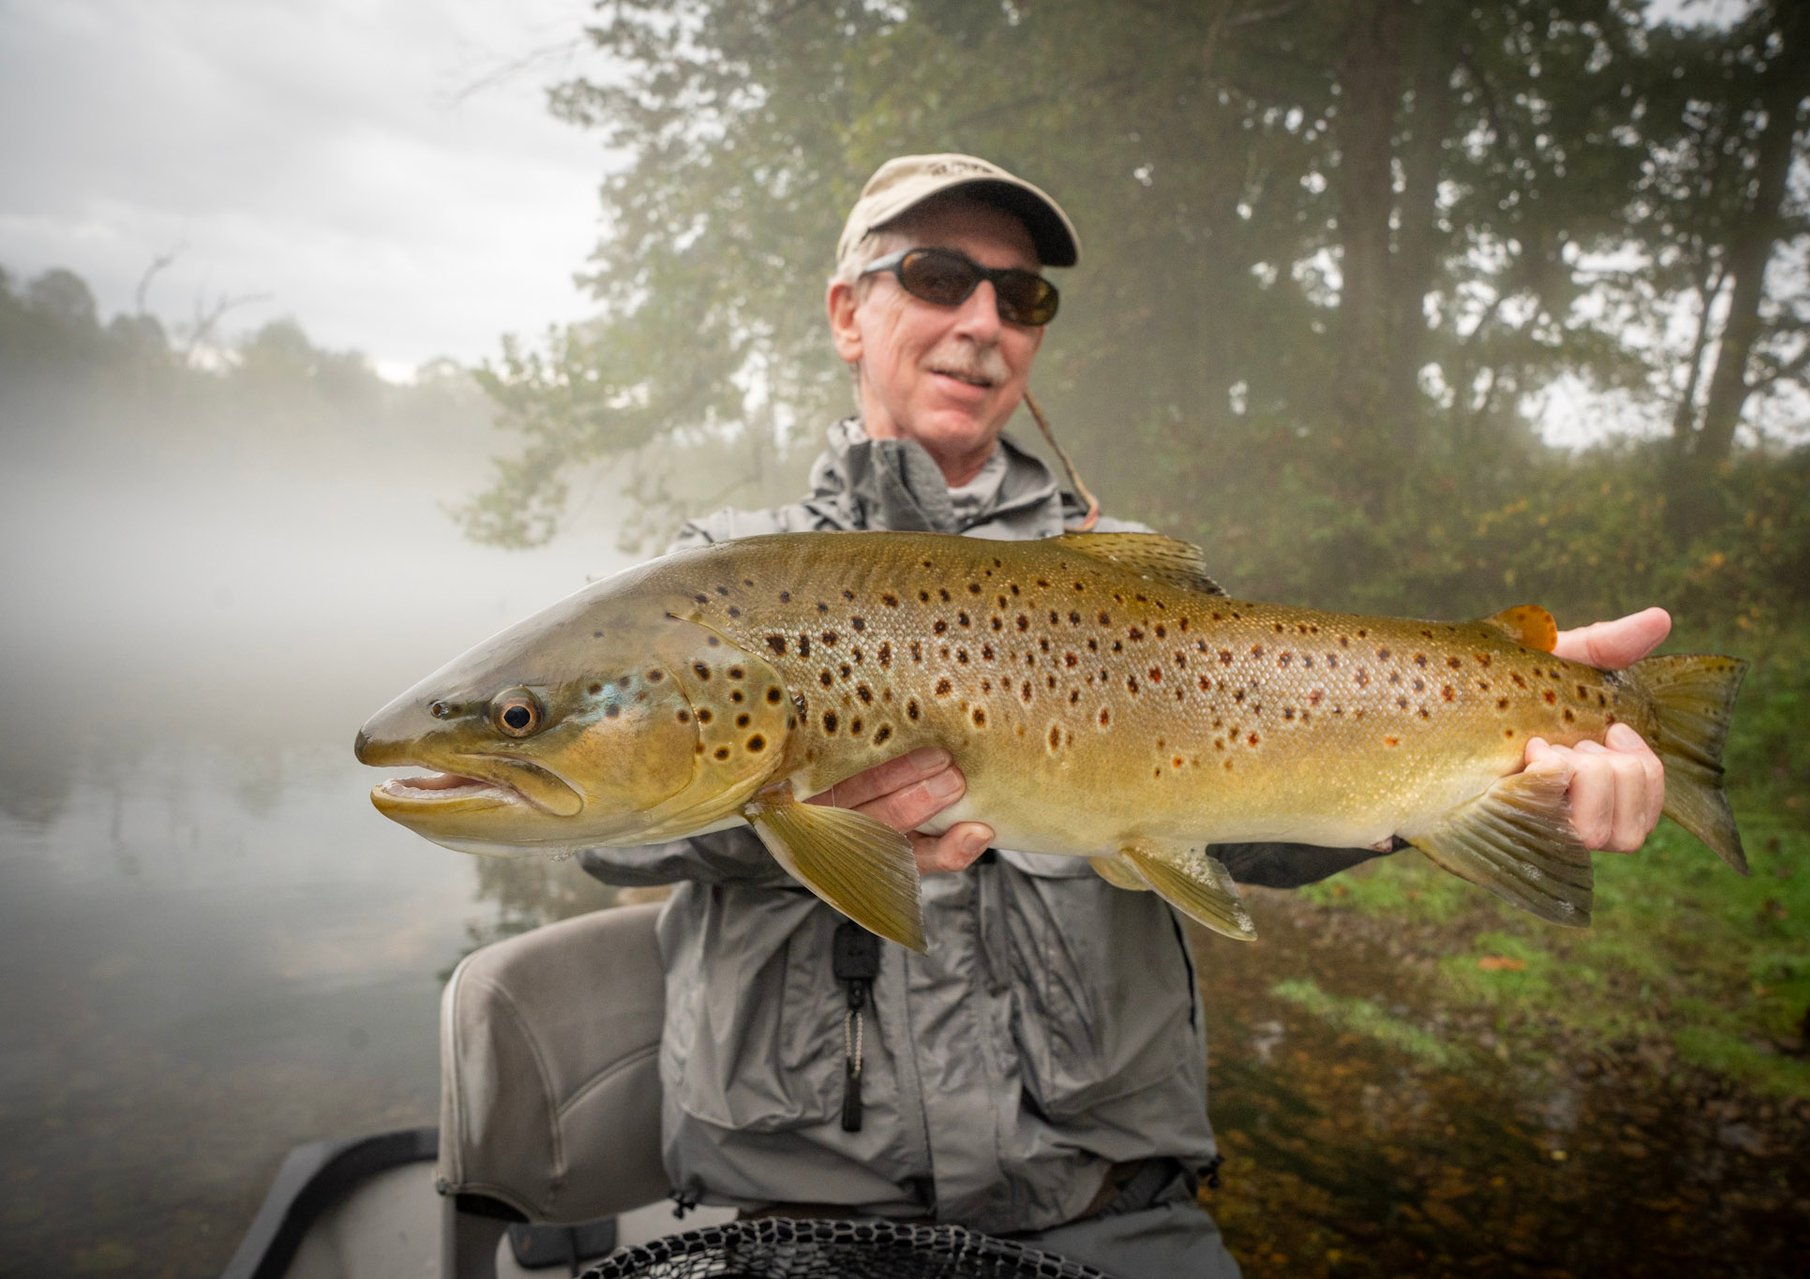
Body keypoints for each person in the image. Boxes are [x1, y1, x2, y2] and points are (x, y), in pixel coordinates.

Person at [580, 153, 1669, 1278]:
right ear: (849, 313)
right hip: (798, 1214)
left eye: (1021, 295)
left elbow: (1259, 808)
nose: (982, 321)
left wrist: (1492, 743)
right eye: (939, 276)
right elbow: (604, 823)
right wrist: (781, 809)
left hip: (1112, 1211)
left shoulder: (1124, 577)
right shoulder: (720, 577)